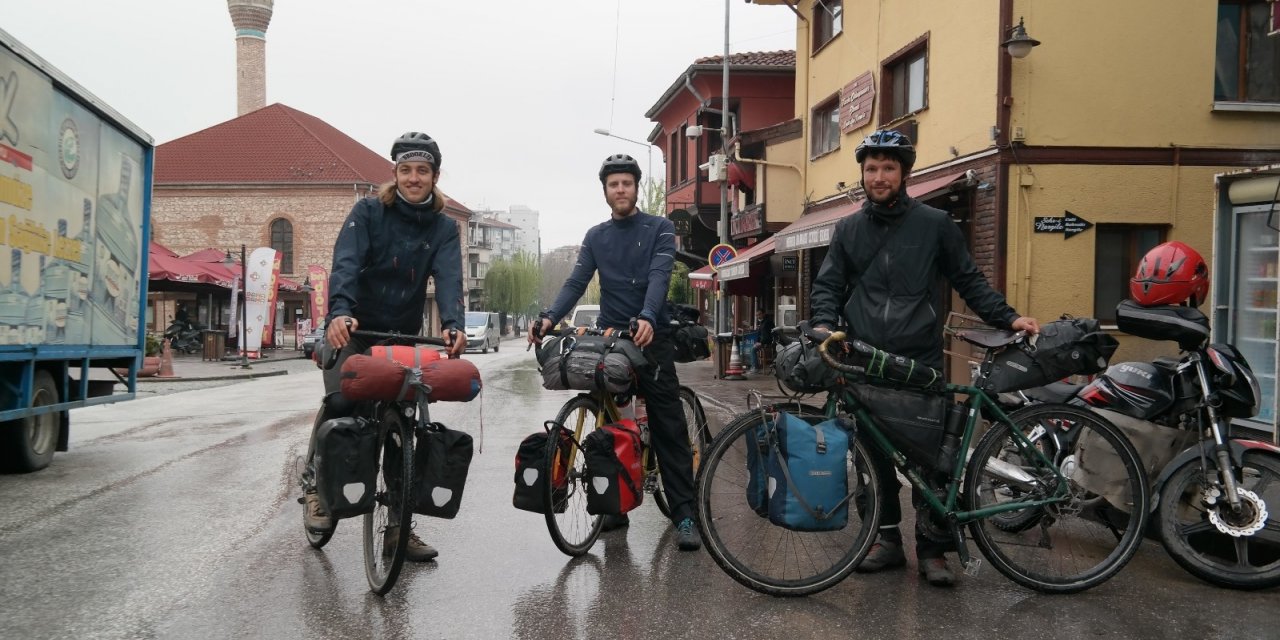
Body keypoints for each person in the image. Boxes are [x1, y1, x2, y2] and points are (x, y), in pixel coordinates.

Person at [809, 130, 1039, 587]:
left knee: (931, 457)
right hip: (864, 358)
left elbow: (969, 280)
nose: (879, 177)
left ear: (904, 173)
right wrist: (821, 325)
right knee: (872, 458)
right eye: (871, 169)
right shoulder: (849, 228)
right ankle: (885, 539)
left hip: (920, 359)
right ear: (862, 173)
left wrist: (1008, 318)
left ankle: (934, 549)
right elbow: (829, 285)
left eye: (888, 168)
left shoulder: (935, 225)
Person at [301, 131, 466, 562]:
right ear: (395, 173)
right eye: (406, 170)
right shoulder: (369, 212)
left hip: (402, 336)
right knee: (342, 403)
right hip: (354, 328)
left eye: (423, 171)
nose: (414, 178)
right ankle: (319, 491)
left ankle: (399, 528)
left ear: (434, 176)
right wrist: (339, 312)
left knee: (404, 429)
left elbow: (449, 280)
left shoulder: (444, 227)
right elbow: (347, 264)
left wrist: (453, 325)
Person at [528, 153, 701, 552]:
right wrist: (550, 318)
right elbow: (576, 281)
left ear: (636, 188)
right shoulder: (596, 236)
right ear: (605, 191)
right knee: (607, 424)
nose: (620, 189)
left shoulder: (659, 228)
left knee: (668, 425)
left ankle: (684, 514)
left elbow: (659, 276)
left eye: (626, 183)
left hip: (648, 335)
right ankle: (613, 505)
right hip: (611, 338)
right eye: (613, 184)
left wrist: (647, 316)